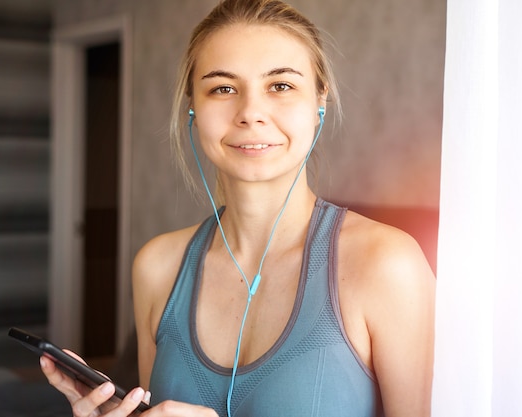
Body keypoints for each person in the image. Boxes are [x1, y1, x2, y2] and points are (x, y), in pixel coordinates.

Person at [41, 0, 436, 416]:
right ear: (192, 104)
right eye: (223, 88)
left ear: (320, 101)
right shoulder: (157, 268)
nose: (250, 113)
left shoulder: (388, 265)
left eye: (280, 86)